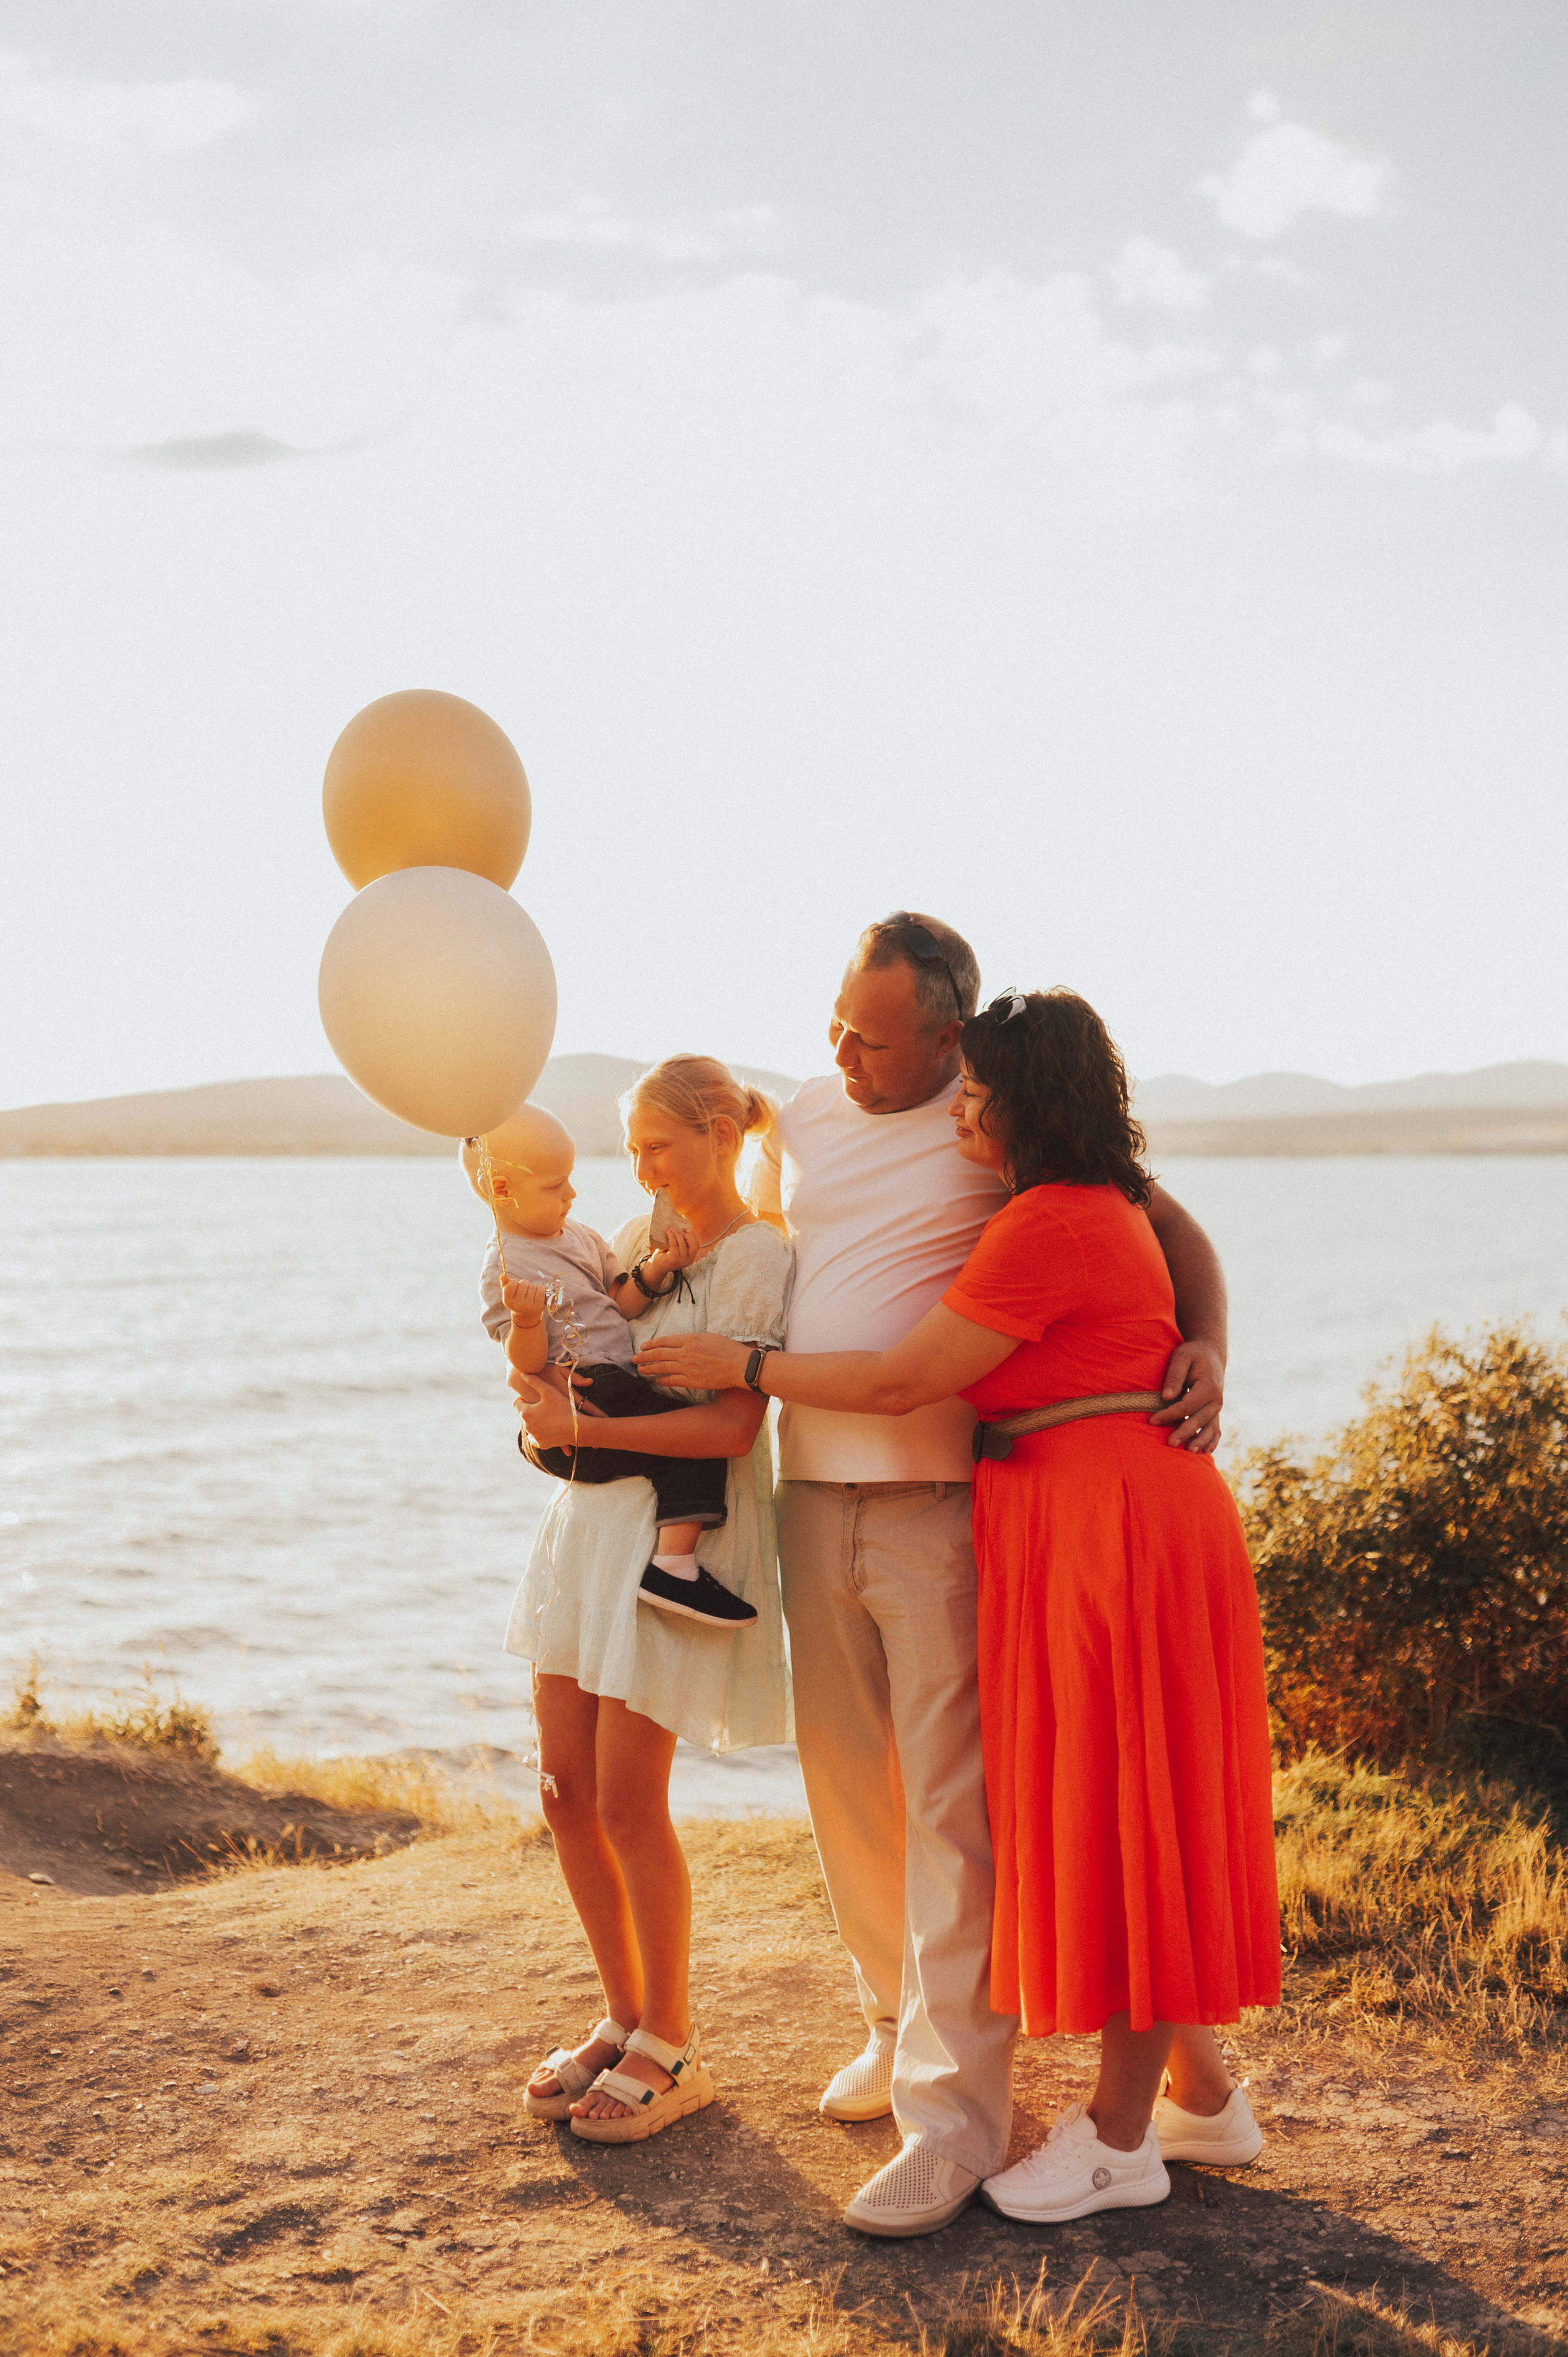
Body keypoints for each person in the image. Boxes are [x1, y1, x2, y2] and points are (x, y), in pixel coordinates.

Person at [636, 918, 1231, 2238]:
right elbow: (715, 1202)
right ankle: (889, 2022)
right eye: (833, 1024)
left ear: (948, 1041)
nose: (840, 1052)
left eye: (869, 1036)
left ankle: (953, 2122)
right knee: (849, 1788)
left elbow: (1166, 1225)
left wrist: (1205, 1347)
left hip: (942, 1499)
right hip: (810, 1489)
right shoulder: (803, 1107)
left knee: (952, 1809)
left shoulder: (999, 1129)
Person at [503, 1056, 794, 2145]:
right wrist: (539, 1396)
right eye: (630, 1150)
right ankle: (621, 2015)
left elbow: (730, 1429)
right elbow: (575, 1363)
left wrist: (596, 1429)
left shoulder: (759, 1253)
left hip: (670, 1538)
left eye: (658, 1146)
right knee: (564, 1789)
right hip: (585, 1529)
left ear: (721, 1133)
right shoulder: (632, 1243)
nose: (641, 1169)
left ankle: (669, 2039)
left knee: (630, 1799)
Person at [462, 1104, 755, 1627]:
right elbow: (526, 1365)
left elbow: (623, 1298)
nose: (571, 1195)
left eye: (570, 1181)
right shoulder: (502, 1267)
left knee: (683, 1435)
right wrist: (527, 1320)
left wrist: (661, 1263)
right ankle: (673, 1568)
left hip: (612, 1382)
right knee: (690, 1444)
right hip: (585, 1387)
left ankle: (671, 1560)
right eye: (556, 1186)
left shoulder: (581, 1236)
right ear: (502, 1190)